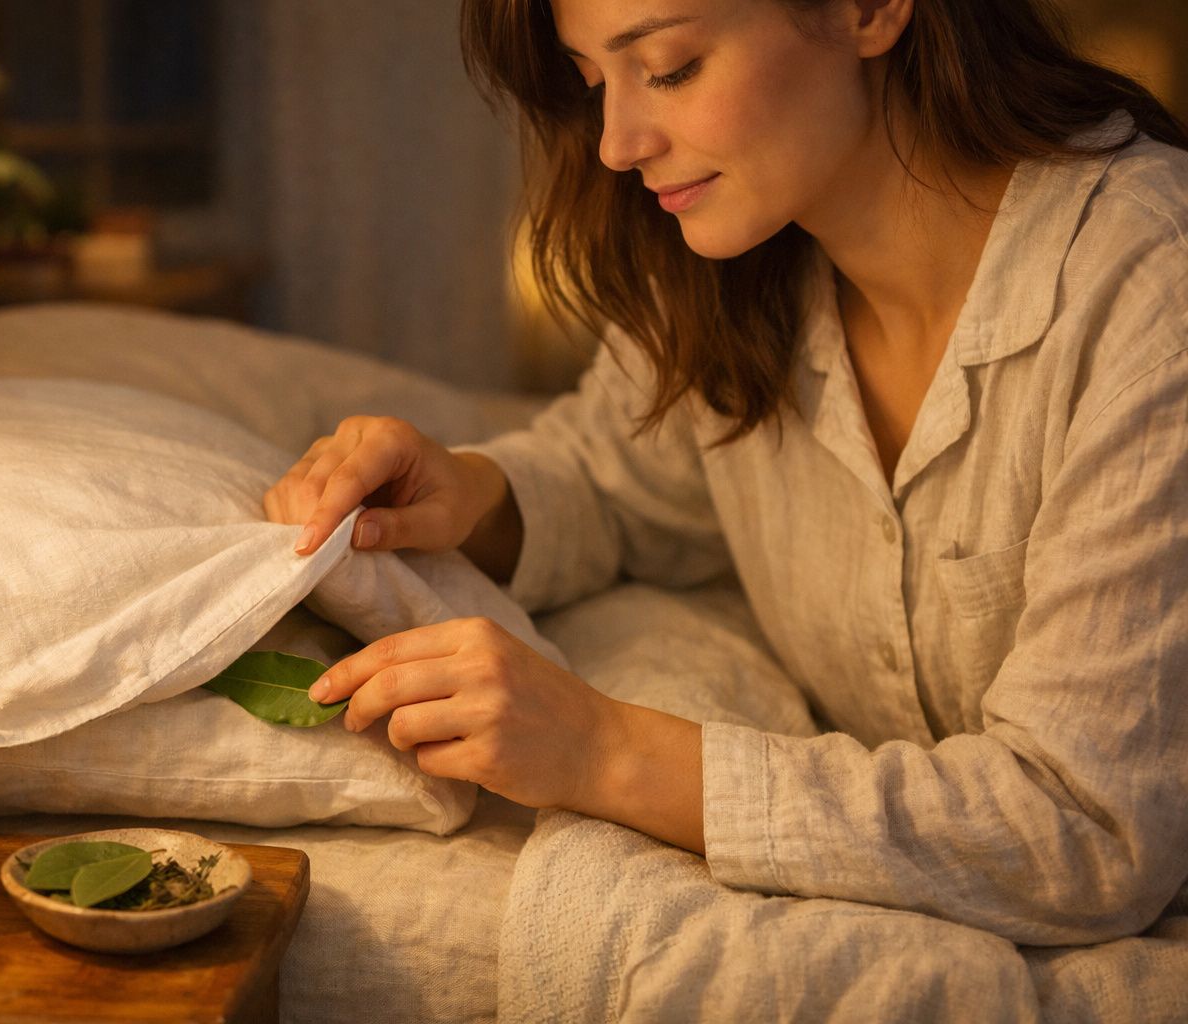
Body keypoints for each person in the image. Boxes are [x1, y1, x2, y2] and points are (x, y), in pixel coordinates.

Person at [262, 0, 1188, 945]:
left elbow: (1088, 829)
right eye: (593, 83)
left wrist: (604, 751)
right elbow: (611, 477)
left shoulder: (1151, 292)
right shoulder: (742, 269)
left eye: (668, 68)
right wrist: (464, 494)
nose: (617, 143)